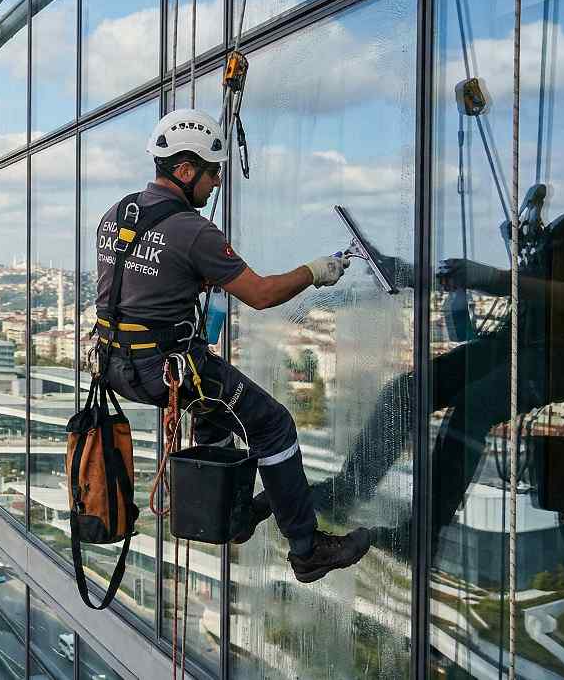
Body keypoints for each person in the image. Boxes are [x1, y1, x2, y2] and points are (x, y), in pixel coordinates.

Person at [263, 134, 564, 554]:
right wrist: (413, 274)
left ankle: (423, 531)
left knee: (474, 407)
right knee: (407, 392)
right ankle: (348, 491)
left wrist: (486, 277)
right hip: (518, 342)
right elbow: (529, 284)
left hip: (563, 357)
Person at [94, 108, 371, 583]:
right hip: (167, 368)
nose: (217, 181)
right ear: (185, 171)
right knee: (273, 426)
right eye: (212, 171)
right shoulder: (193, 230)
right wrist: (314, 271)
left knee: (214, 415)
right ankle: (307, 548)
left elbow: (141, 283)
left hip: (118, 366)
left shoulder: (117, 213)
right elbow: (261, 295)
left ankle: (232, 514)